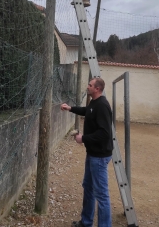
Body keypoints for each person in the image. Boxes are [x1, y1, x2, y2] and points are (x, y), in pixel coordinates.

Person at [60, 78, 113, 227]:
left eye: (90, 85)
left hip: (100, 156)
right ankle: (86, 222)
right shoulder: (94, 103)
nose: (87, 87)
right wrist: (70, 108)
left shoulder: (102, 105)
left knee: (101, 195)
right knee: (88, 188)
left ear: (97, 89)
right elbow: (86, 111)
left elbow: (104, 133)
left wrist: (83, 138)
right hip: (92, 154)